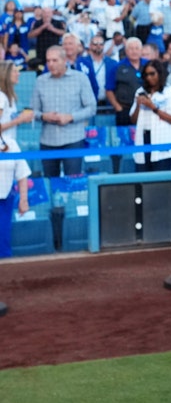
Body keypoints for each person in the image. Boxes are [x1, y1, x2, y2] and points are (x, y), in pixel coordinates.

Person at [31, 45, 96, 177]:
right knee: (50, 181)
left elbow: (91, 108)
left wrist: (70, 117)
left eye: (55, 60)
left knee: (72, 181)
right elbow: (33, 111)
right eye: (48, 61)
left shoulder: (80, 78)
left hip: (73, 140)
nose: (50, 64)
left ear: (65, 60)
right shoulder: (40, 81)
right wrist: (44, 116)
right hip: (48, 141)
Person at [0, 60, 33, 259]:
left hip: (8, 150)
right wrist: (22, 119)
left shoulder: (8, 97)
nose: (19, 74)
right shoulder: (1, 97)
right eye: (15, 71)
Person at [130, 58, 171, 172]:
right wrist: (138, 105)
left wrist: (153, 107)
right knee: (142, 179)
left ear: (160, 73)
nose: (149, 77)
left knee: (161, 181)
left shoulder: (170, 92)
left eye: (152, 74)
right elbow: (133, 120)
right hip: (143, 139)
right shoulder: (140, 91)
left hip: (162, 141)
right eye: (146, 74)